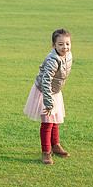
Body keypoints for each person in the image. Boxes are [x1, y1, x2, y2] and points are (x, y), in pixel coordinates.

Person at [24, 28, 73, 165]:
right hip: (44, 92)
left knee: (55, 120)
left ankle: (55, 145)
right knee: (47, 122)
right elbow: (46, 82)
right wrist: (48, 103)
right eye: (61, 44)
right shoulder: (53, 60)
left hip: (55, 91)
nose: (65, 47)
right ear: (54, 45)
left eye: (67, 44)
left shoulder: (68, 56)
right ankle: (46, 152)